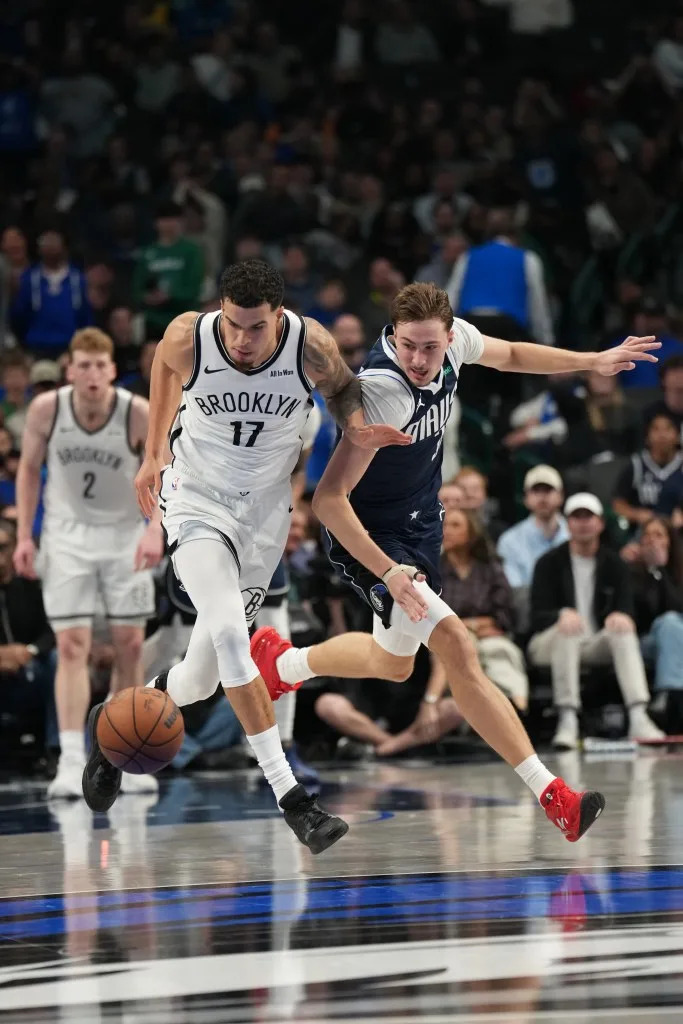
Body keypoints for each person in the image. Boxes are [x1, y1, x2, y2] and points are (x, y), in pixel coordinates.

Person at [252, 281, 660, 843]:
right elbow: (326, 502)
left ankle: (284, 666)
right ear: (393, 336)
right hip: (372, 536)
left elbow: (514, 355)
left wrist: (593, 360)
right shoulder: (383, 392)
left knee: (394, 661)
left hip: (421, 525)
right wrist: (390, 571)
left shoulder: (457, 342)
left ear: (450, 337)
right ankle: (553, 793)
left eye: (432, 348)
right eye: (409, 346)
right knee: (457, 646)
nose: (420, 360)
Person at [81, 258, 407, 854]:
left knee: (202, 678)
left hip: (264, 522)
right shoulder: (191, 335)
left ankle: (112, 732)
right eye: (232, 324)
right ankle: (293, 800)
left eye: (254, 328)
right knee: (234, 636)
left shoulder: (311, 346)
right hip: (198, 504)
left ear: (278, 318)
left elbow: (343, 391)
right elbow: (162, 365)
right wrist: (153, 452)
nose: (241, 339)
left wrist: (356, 428)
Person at [13, 328, 163, 799]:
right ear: (69, 369)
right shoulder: (47, 410)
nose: (92, 374)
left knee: (131, 645)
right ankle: (72, 757)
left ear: (113, 370)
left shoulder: (136, 412)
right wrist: (23, 536)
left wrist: (155, 529)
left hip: (124, 535)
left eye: (101, 365)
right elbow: (27, 471)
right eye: (83, 365)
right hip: (67, 535)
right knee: (72, 645)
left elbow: (162, 471)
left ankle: (126, 755)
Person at [528, 493, 664, 749]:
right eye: (576, 517)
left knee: (622, 630)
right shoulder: (548, 563)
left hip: (592, 643)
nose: (582, 522)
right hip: (548, 643)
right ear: (568, 524)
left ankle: (638, 715)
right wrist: (560, 615)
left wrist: (620, 615)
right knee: (567, 628)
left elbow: (627, 608)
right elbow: (536, 618)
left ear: (600, 523)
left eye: (588, 516)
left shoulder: (615, 564)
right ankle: (567, 718)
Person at [440, 508, 529, 712]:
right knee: (467, 648)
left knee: (500, 650)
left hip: (489, 636)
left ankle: (516, 705)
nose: (448, 531)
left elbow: (504, 613)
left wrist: (480, 624)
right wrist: (472, 625)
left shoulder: (490, 568)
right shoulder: (435, 571)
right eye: (444, 525)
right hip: (449, 638)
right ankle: (489, 711)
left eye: (455, 525)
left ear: (471, 532)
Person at [0, 518, 58, 757]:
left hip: (31, 667)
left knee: (59, 661)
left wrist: (29, 651)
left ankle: (57, 750)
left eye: (3, 547)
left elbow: (53, 630)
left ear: (15, 547)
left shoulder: (34, 586)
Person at [631, 516, 683, 727]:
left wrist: (662, 571)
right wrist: (654, 571)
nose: (652, 540)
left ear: (670, 541)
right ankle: (671, 694)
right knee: (669, 623)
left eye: (659, 535)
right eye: (647, 535)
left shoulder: (678, 574)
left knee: (672, 623)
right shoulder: (632, 573)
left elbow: (678, 606)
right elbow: (644, 612)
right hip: (646, 642)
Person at [10, 231, 93, 357]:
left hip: (70, 347)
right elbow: (19, 315)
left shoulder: (78, 279)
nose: (51, 249)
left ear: (64, 248)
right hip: (36, 347)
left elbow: (85, 315)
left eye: (55, 245)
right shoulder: (29, 279)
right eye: (47, 245)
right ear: (39, 250)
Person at [497, 465, 569, 588]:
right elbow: (515, 590)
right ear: (526, 498)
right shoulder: (509, 541)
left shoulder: (575, 535)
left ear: (561, 496)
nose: (542, 497)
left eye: (548, 490)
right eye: (536, 491)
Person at [613, 412, 683, 528]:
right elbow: (617, 503)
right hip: (643, 531)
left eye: (668, 429)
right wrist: (636, 514)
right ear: (647, 437)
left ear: (677, 436)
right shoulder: (636, 465)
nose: (662, 435)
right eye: (656, 429)